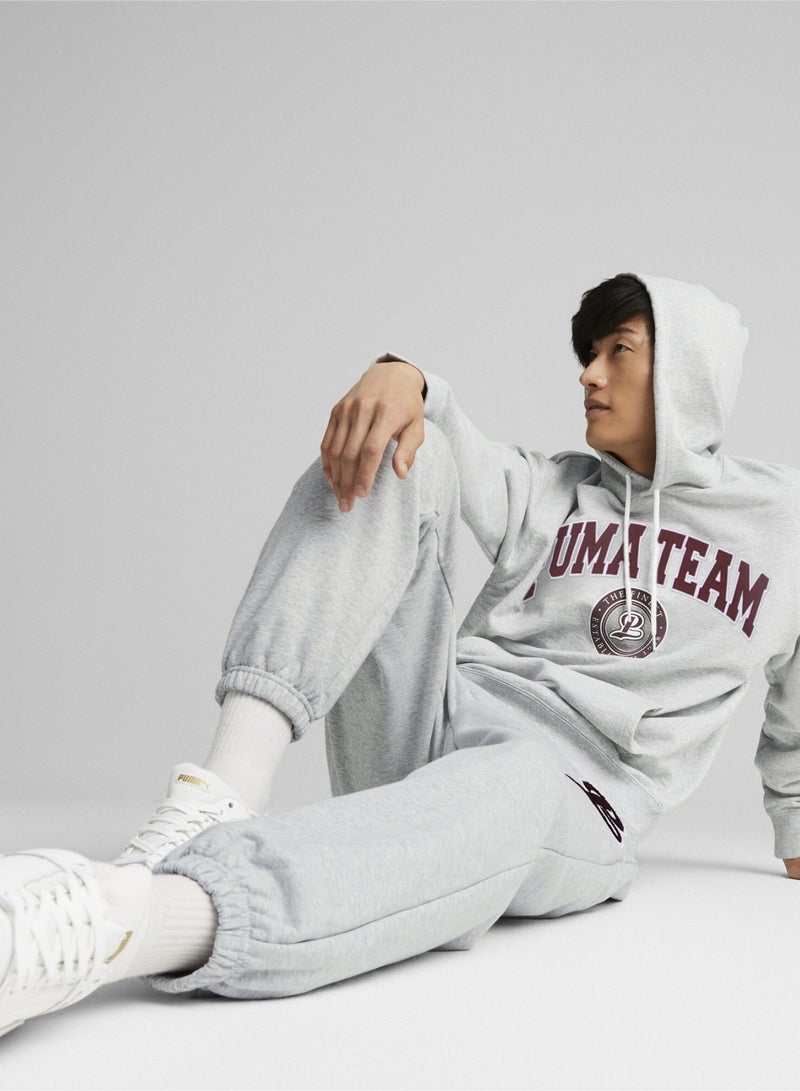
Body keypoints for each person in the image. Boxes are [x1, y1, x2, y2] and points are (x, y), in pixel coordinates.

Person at [1, 272, 798, 1040]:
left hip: (575, 799)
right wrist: (406, 376)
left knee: (519, 774)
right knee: (405, 446)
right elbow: (450, 438)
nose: (589, 374)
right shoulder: (551, 487)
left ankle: (124, 924)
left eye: (617, 349)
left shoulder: (780, 522)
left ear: (687, 369)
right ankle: (221, 790)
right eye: (587, 354)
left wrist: (795, 820)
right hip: (427, 735)